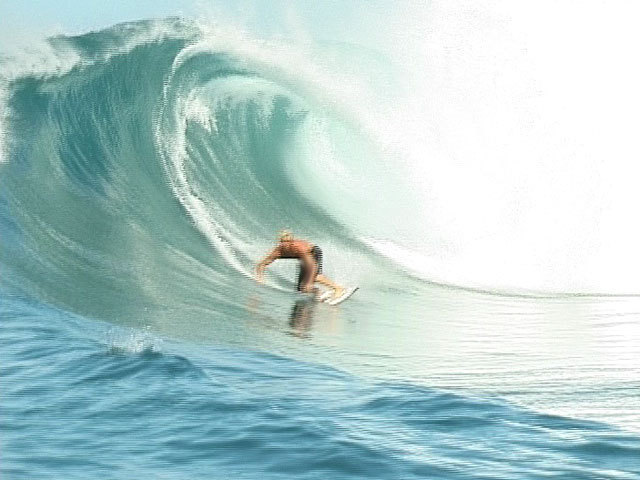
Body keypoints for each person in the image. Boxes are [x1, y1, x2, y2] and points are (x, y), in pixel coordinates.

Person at [256, 230, 345, 299]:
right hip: (303, 259)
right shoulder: (278, 251)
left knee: (314, 277)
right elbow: (262, 264)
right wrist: (260, 278)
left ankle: (338, 288)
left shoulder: (299, 248)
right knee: (301, 289)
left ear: (292, 241)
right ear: (280, 242)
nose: (285, 245)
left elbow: (313, 266)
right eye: (283, 243)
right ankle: (318, 292)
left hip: (313, 252)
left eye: (288, 242)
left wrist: (309, 283)